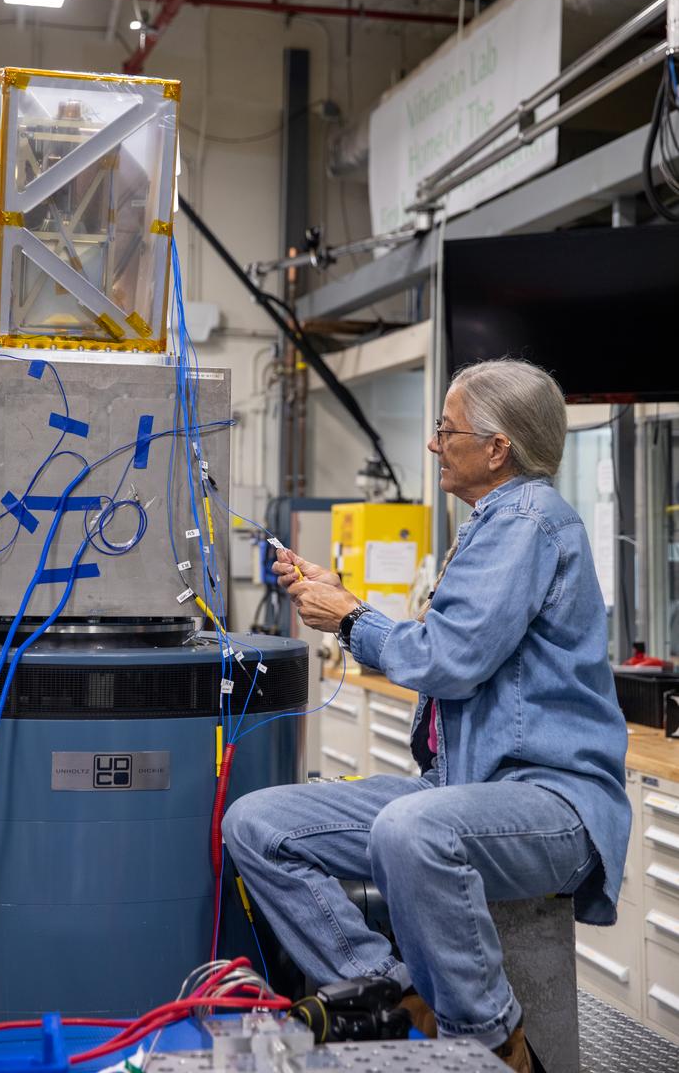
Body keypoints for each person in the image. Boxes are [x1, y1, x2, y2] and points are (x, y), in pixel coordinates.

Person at [222, 359, 631, 1073]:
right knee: (256, 825)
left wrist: (349, 618)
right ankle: (392, 992)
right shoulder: (492, 523)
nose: (435, 444)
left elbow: (451, 658)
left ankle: (491, 1044)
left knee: (411, 828)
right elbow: (454, 645)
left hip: (552, 800)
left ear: (497, 447)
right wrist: (347, 601)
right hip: (460, 787)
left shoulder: (528, 520)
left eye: (446, 430)